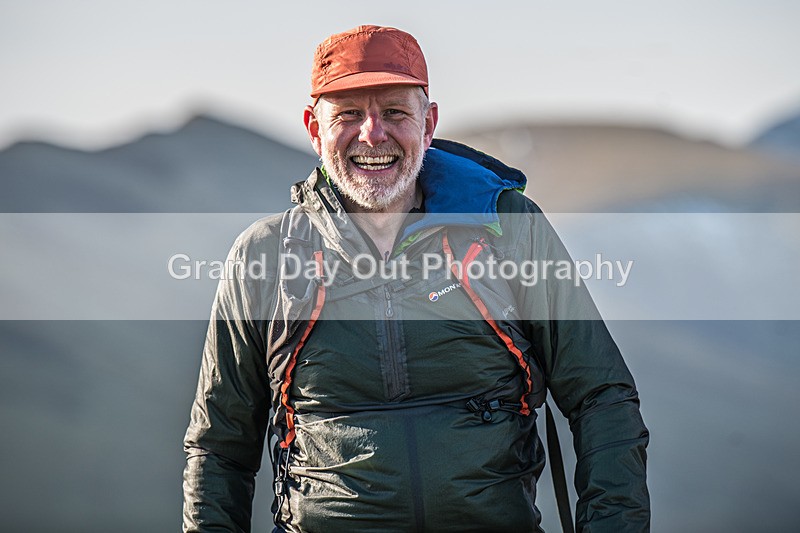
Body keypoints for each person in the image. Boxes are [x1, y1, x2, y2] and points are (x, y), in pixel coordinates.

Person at [183, 25, 649, 532]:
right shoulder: (265, 256)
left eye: (394, 112)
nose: (372, 134)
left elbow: (601, 396)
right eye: (348, 115)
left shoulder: (508, 228)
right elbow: (219, 445)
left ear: (428, 124)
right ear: (314, 131)